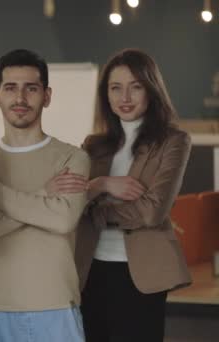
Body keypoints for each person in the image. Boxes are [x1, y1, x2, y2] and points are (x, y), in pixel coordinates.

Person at [0, 49, 90, 342]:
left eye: (30, 89)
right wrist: (43, 194)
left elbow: (62, 220)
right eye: (10, 88)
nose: (20, 99)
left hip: (57, 306)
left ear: (46, 96)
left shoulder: (72, 158)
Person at [75, 48, 192, 342]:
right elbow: (72, 203)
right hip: (91, 271)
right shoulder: (93, 146)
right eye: (116, 88)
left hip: (142, 275)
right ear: (106, 95)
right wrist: (103, 184)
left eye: (135, 86)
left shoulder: (173, 141)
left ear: (151, 90)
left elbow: (152, 211)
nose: (124, 97)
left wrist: (98, 211)